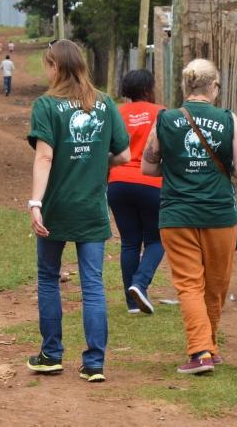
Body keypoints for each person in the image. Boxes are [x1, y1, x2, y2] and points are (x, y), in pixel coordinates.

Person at [26, 39, 131, 384]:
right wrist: (96, 160)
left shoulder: (46, 105)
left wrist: (35, 203)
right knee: (93, 285)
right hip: (91, 206)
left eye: (48, 65)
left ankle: (51, 355)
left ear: (55, 67)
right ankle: (95, 362)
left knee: (47, 277)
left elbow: (44, 156)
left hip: (57, 206)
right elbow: (124, 155)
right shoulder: (103, 102)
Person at [142, 59, 237, 375]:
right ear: (214, 87)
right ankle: (205, 349)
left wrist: (178, 167)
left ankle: (203, 350)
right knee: (216, 285)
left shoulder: (165, 119)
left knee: (189, 285)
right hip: (219, 215)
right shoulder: (228, 119)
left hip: (177, 215)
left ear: (184, 86)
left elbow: (148, 166)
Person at [107, 69, 165, 315]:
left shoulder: (116, 114)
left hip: (118, 183)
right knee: (157, 239)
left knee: (130, 242)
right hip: (151, 182)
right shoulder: (161, 113)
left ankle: (132, 304)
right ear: (148, 88)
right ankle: (139, 283)